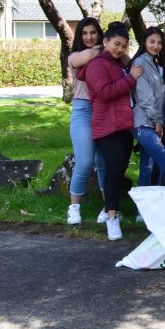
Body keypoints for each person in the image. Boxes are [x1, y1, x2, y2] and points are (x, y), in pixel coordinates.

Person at [78, 22, 142, 241]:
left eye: (123, 46)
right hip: (107, 126)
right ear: (105, 41)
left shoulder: (118, 65)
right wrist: (131, 78)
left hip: (123, 125)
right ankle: (111, 217)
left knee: (118, 171)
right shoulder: (97, 65)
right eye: (116, 44)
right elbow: (105, 92)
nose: (119, 49)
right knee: (113, 172)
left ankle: (111, 212)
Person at [66, 18, 107, 226]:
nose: (89, 37)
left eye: (93, 32)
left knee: (103, 162)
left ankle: (107, 208)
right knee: (84, 162)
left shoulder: (107, 55)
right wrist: (107, 45)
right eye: (84, 33)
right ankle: (74, 208)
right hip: (82, 111)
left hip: (103, 109)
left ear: (99, 34)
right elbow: (90, 54)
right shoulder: (75, 57)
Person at [131, 26, 165, 191]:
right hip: (144, 123)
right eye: (152, 41)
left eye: (159, 42)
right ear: (144, 42)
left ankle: (142, 212)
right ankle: (160, 204)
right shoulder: (140, 63)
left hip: (149, 123)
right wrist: (158, 122)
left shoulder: (154, 63)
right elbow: (145, 97)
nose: (156, 45)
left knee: (146, 168)